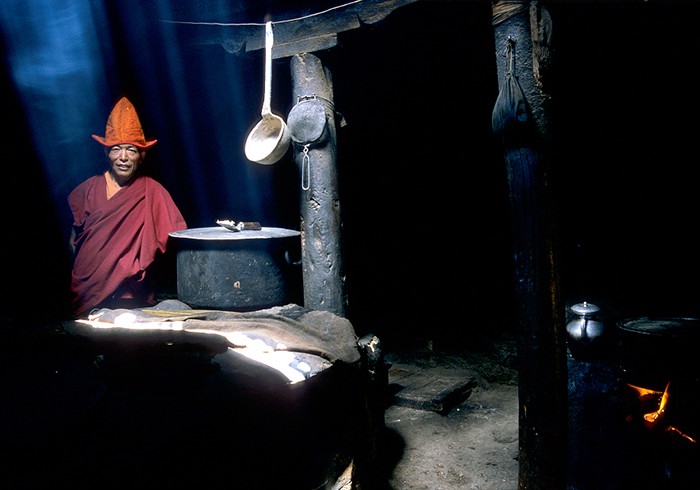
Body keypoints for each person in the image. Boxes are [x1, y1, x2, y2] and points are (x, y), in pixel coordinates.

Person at [68, 96, 187, 317]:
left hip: (133, 297)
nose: (123, 157)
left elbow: (179, 238)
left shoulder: (152, 191)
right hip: (88, 290)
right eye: (116, 149)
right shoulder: (86, 190)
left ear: (141, 156)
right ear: (106, 153)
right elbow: (74, 242)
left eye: (131, 150)